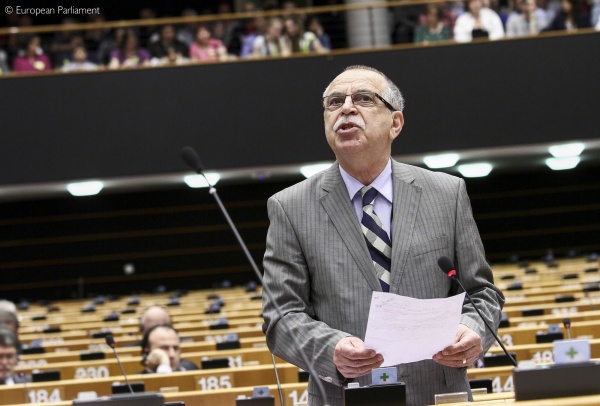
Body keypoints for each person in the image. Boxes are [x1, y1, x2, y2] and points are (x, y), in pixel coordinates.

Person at [262, 65, 505, 406]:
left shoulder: (447, 194)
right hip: (344, 395)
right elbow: (281, 316)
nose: (346, 108)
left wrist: (473, 330)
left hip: (439, 392)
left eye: (363, 98)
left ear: (395, 123)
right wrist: (330, 349)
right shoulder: (290, 207)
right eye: (334, 102)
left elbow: (481, 294)